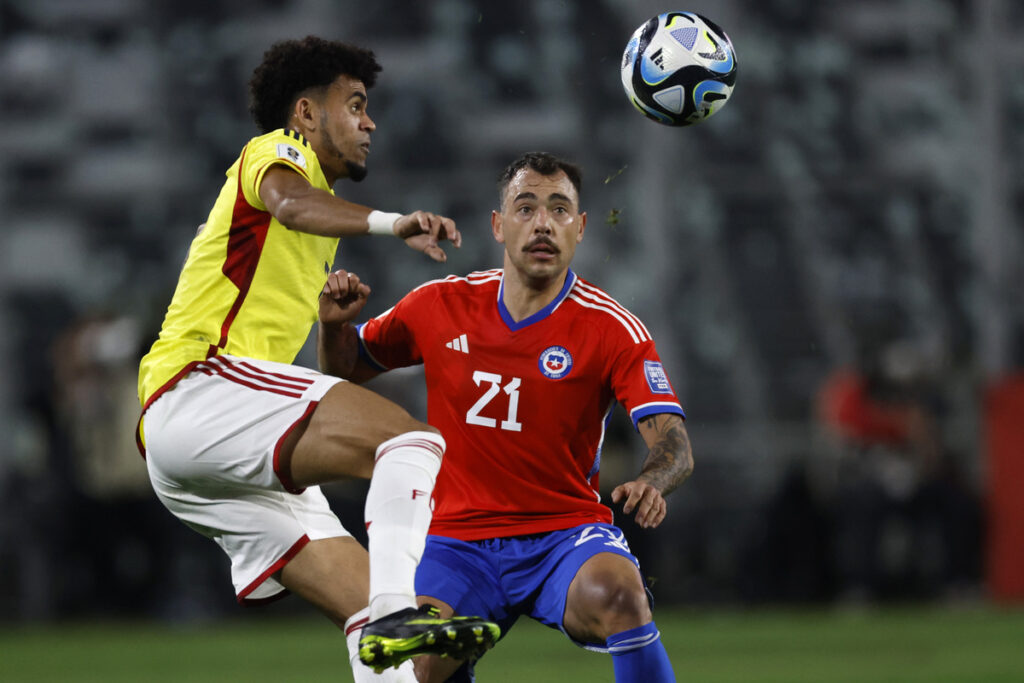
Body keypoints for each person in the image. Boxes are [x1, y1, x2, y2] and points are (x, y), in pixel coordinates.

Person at [135, 36, 498, 681]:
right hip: (197, 387)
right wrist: (394, 223)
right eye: (355, 104)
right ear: (305, 114)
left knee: (391, 642)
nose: (370, 123)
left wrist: (334, 330)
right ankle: (396, 610)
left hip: (202, 457)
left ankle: (385, 617)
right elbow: (292, 204)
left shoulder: (313, 232)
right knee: (413, 443)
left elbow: (325, 400)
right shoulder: (276, 155)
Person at [319, 152, 694, 682]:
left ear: (581, 228)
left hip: (562, 534)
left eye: (560, 209)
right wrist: (334, 329)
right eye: (526, 207)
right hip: (455, 541)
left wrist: (654, 482)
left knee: (620, 597)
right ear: (498, 225)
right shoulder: (438, 305)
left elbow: (674, 443)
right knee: (413, 668)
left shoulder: (611, 327)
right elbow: (348, 367)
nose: (543, 223)